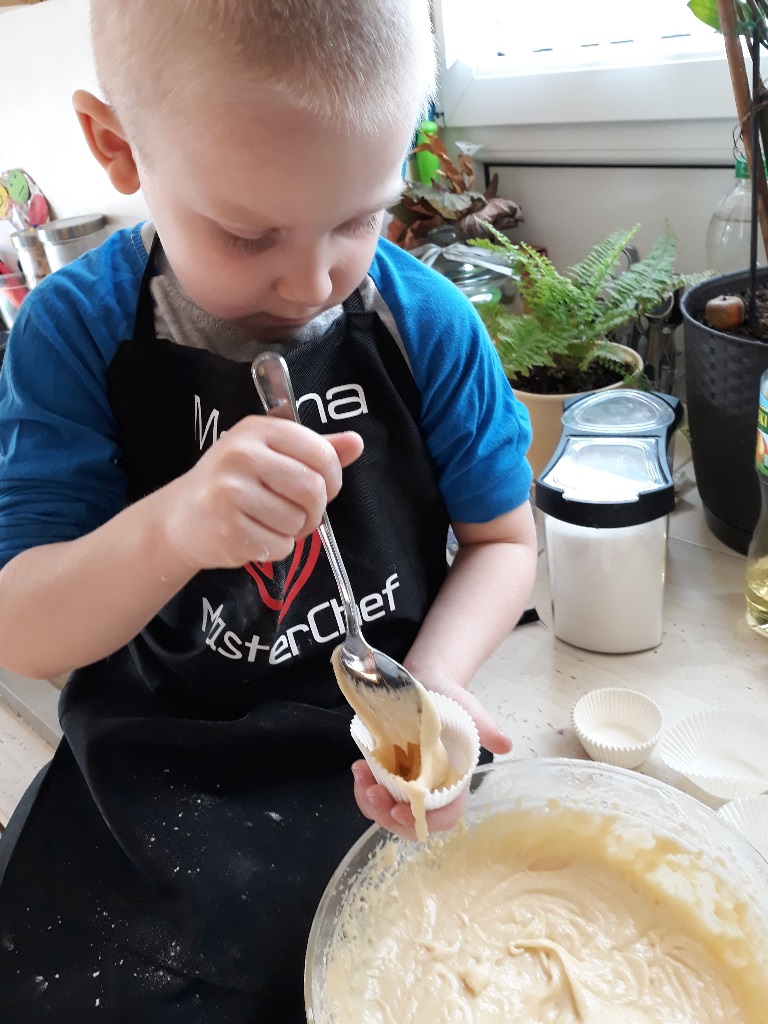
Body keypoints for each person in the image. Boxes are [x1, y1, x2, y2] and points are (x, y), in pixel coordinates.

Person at [0, 0, 536, 1019]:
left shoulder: (426, 324)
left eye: (360, 218)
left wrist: (428, 690)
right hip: (151, 774)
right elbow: (23, 627)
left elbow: (504, 540)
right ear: (118, 148)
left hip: (366, 763)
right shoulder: (75, 337)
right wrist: (170, 529)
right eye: (249, 234)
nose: (313, 280)